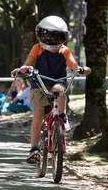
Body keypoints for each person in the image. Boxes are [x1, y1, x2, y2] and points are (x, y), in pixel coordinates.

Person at [15, 15, 91, 163]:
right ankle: (34, 149)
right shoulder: (37, 48)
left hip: (57, 82)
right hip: (39, 84)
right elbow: (29, 61)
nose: (51, 40)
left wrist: (80, 69)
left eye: (55, 37)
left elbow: (73, 65)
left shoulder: (65, 51)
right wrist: (25, 68)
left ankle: (61, 117)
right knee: (38, 114)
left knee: (59, 90)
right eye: (48, 36)